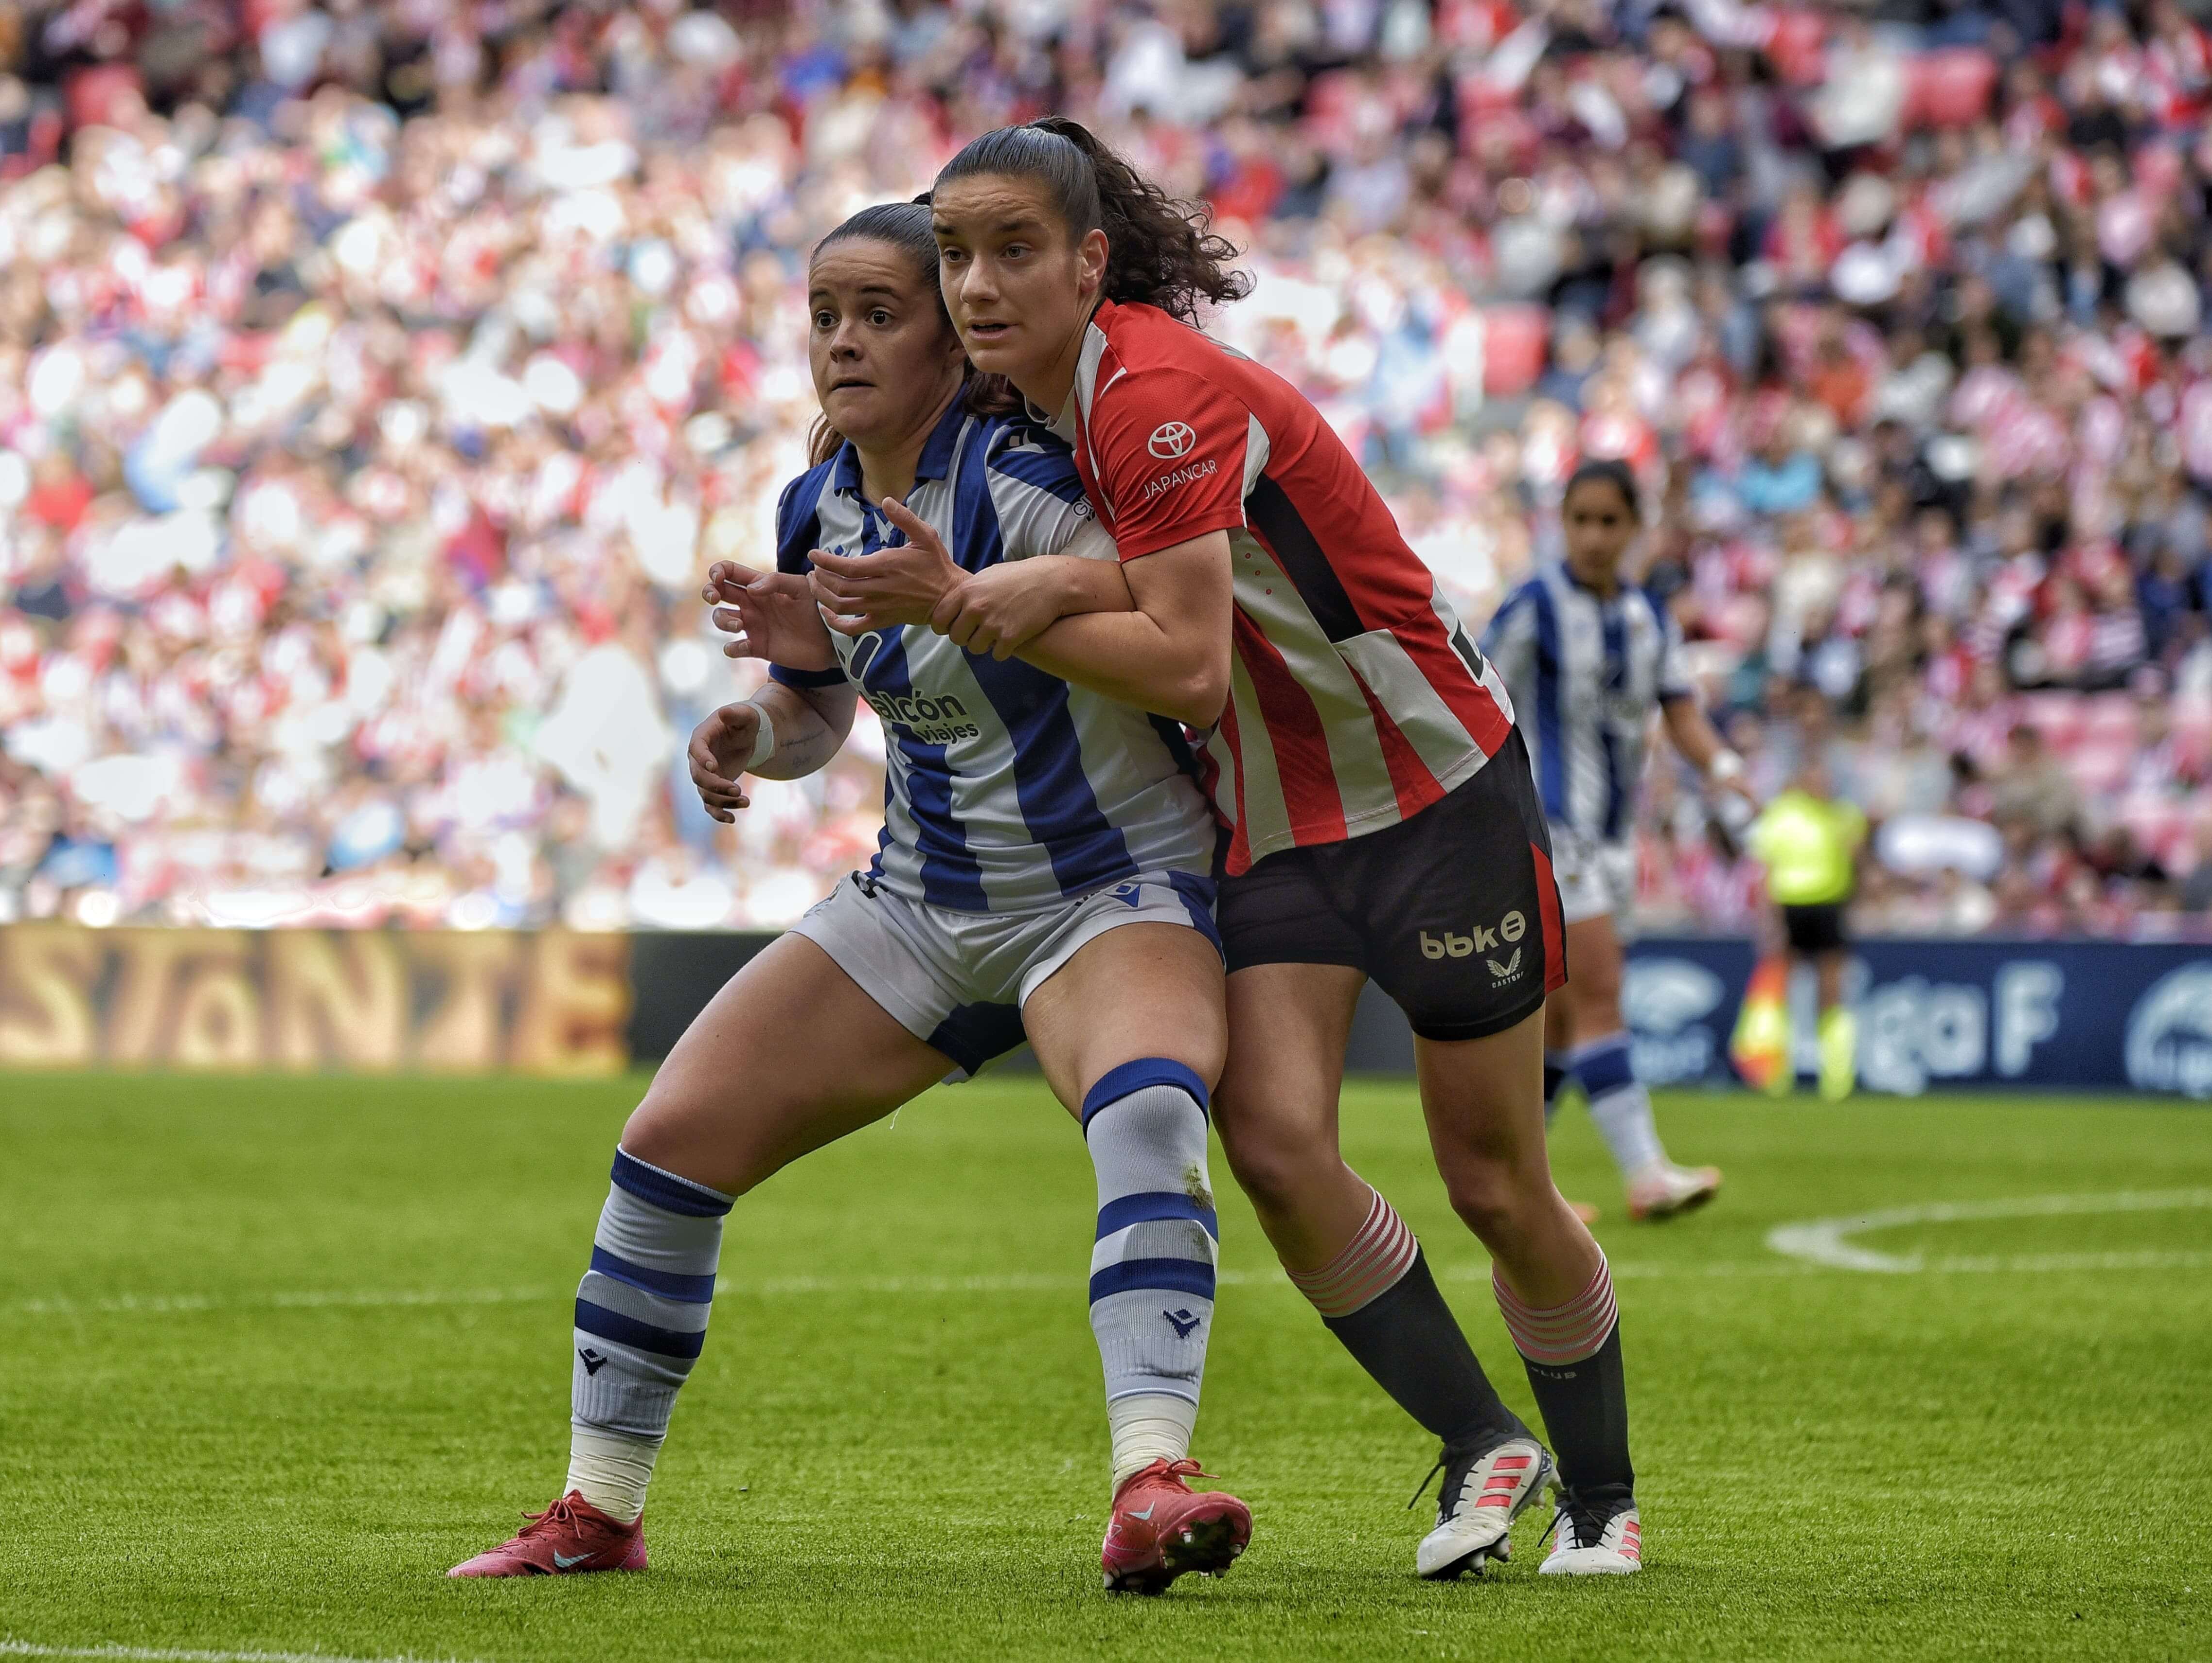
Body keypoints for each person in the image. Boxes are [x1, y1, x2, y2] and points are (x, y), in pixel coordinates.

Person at [813, 120, 1641, 1577]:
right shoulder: (1031, 411)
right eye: (951, 254)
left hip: (1435, 795)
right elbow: (1115, 570)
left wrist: (991, 602)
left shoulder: (1153, 392)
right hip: (1269, 823)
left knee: (1494, 1182)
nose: (973, 285)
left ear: (1087, 261)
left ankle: (1600, 1500)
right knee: (1266, 1142)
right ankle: (1475, 1445)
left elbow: (1187, 664)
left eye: (1011, 250)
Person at [447, 203, 1254, 1594]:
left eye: (880, 312)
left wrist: (988, 598)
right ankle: (599, 1509)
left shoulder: (1028, 478)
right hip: (922, 902)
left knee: (1148, 1110)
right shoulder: (816, 505)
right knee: (666, 1148)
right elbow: (827, 711)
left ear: (950, 336)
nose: (843, 339)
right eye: (826, 314)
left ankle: (1150, 1478)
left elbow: (1179, 622)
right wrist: (755, 731)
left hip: (1106, 887)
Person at [1481, 459, 1742, 1222]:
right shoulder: (1534, 605)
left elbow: (1681, 709)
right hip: (1550, 829)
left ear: (1635, 529)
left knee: (1563, 1021)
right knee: (1599, 993)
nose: (1594, 536)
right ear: (1562, 524)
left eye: (1609, 521)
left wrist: (1723, 767)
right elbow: (1475, 691)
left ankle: (1526, 1190)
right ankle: (1647, 1173)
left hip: (1614, 836)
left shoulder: (1648, 618)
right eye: (1581, 520)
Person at [1744, 751, 1869, 1099]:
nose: (1821, 784)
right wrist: (1767, 919)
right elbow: (1766, 873)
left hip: (1829, 907)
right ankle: (1774, 1072)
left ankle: (1838, 1076)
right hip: (1790, 908)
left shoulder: (1844, 817)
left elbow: (1859, 864)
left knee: (1832, 991)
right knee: (1779, 991)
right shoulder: (1782, 817)